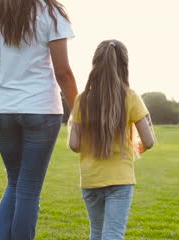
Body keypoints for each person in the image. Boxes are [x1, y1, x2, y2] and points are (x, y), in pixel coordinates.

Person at [0, 0, 78, 239]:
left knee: (15, 184)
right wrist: (78, 112)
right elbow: (64, 73)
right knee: (29, 189)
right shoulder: (53, 12)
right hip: (41, 109)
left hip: (2, 110)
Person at [69, 39, 155, 240]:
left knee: (97, 233)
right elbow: (149, 141)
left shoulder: (83, 99)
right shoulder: (131, 96)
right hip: (120, 178)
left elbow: (74, 145)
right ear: (124, 65)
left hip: (91, 179)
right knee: (113, 235)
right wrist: (136, 147)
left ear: (95, 64)